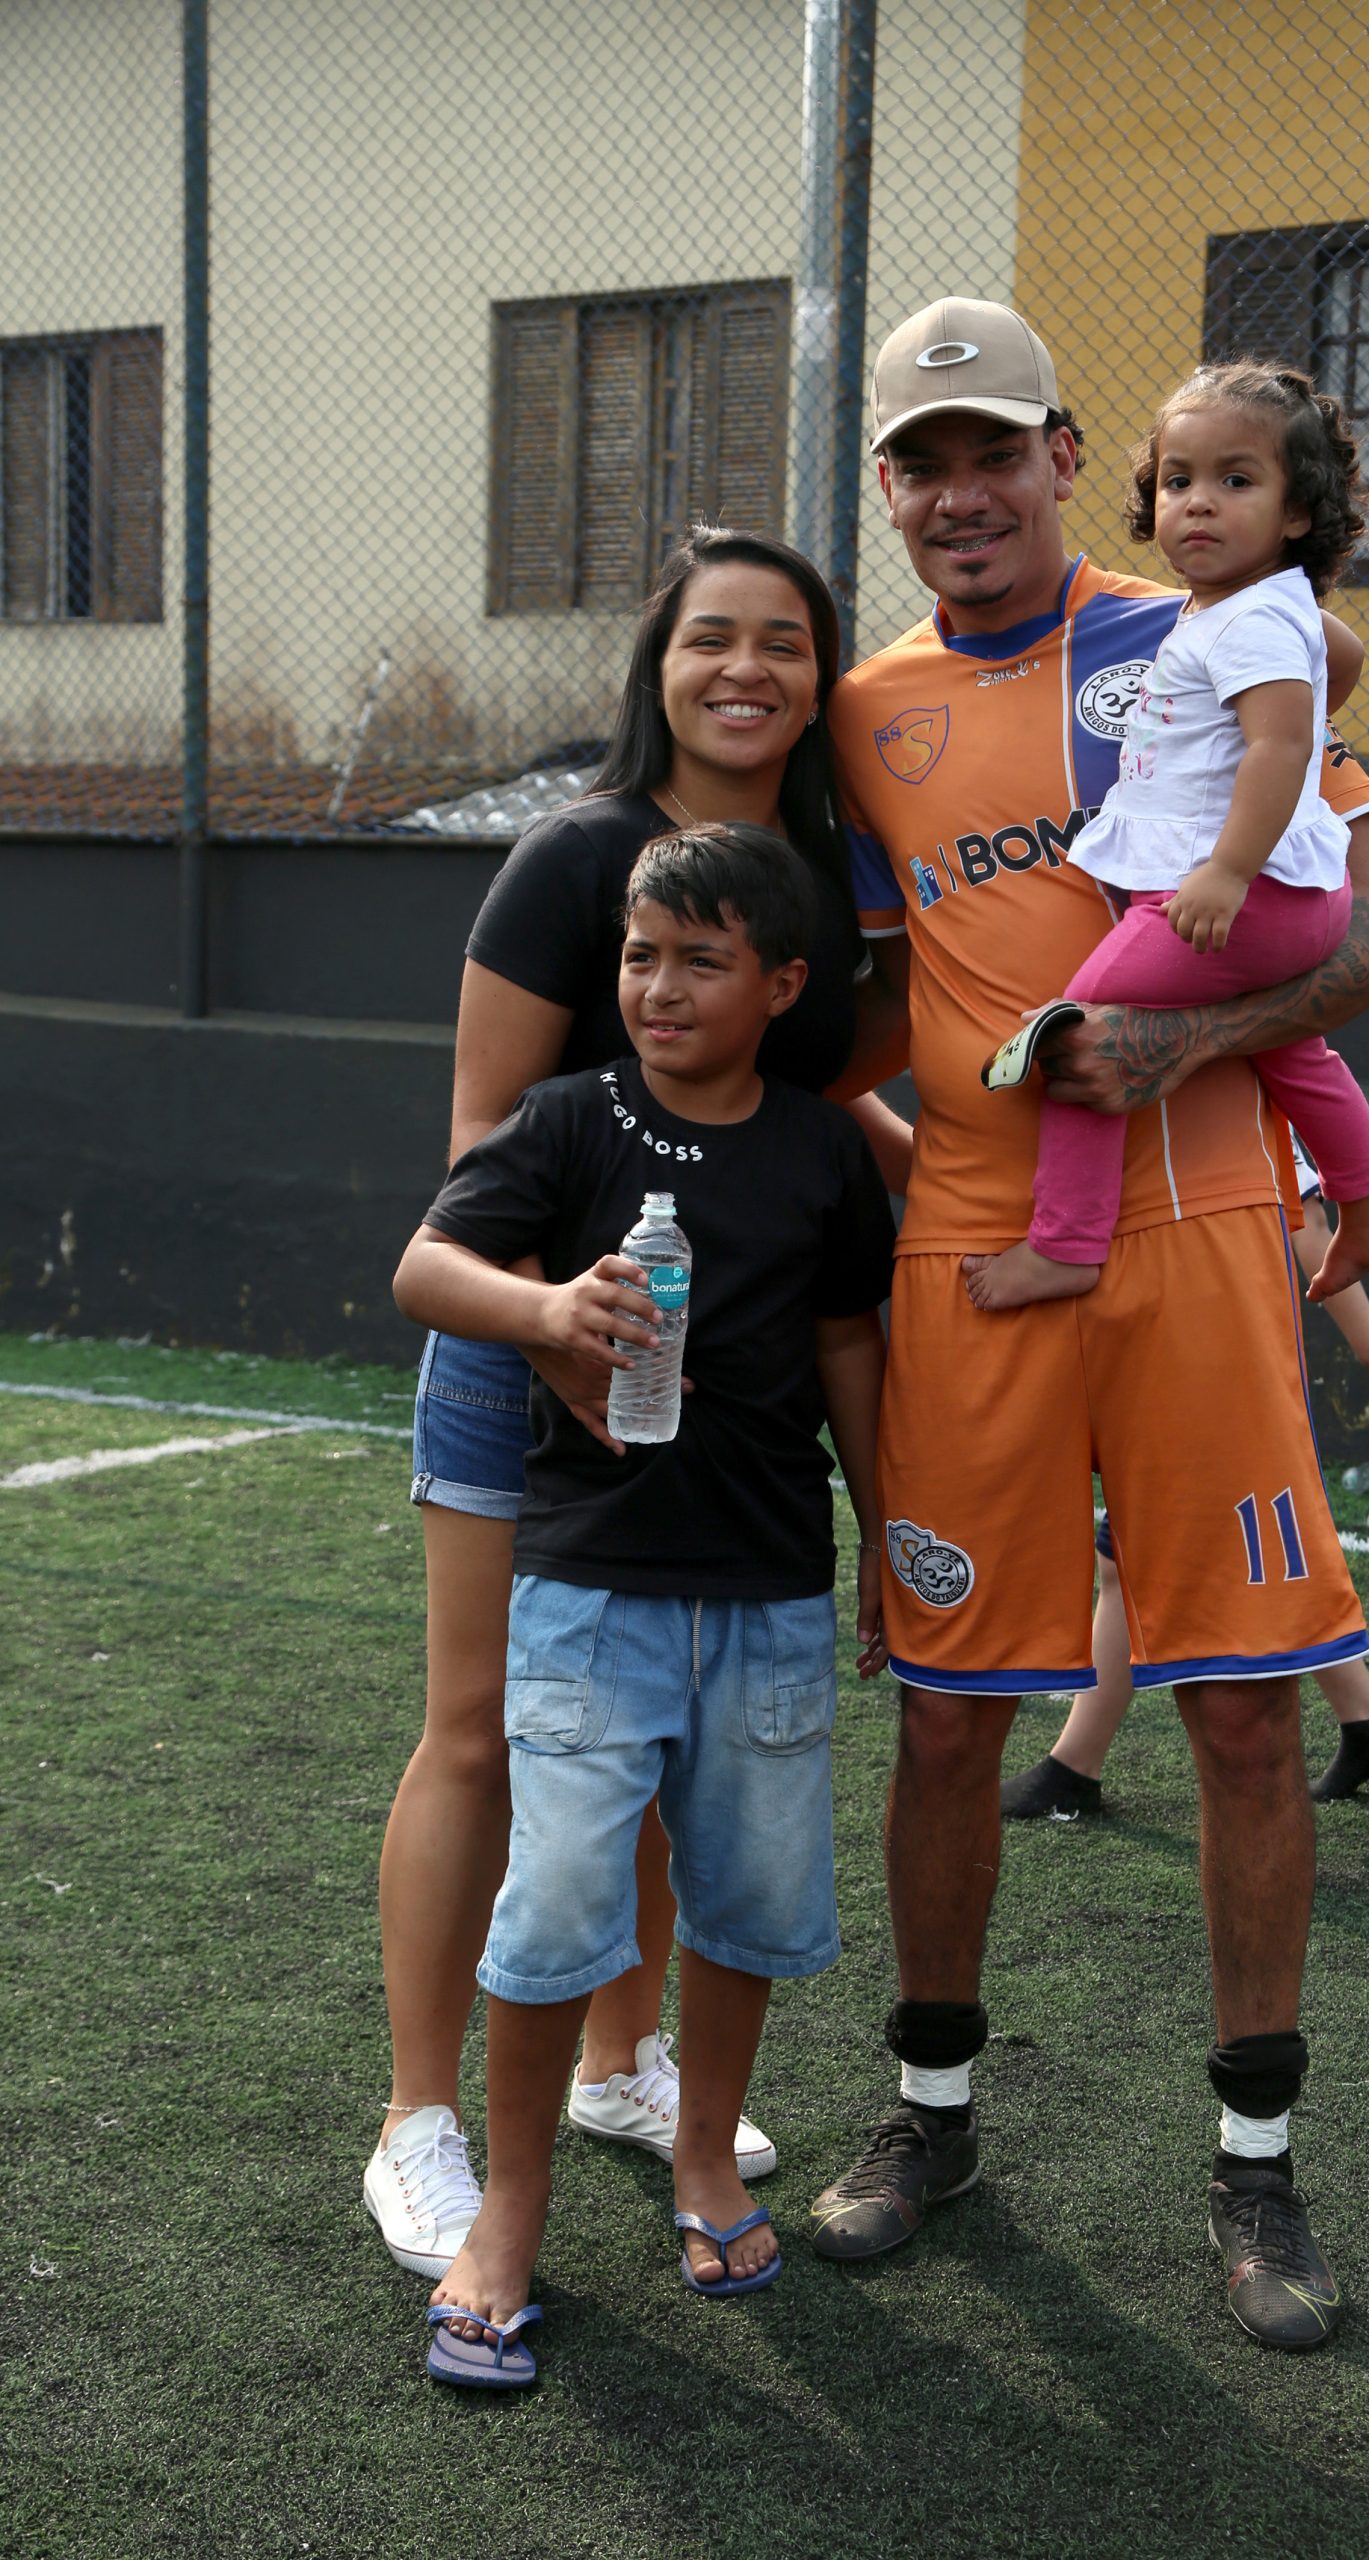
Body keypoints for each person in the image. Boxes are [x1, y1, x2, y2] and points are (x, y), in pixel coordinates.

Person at [809, 299, 1369, 2352]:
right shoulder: (865, 708)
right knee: (948, 1711)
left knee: (1243, 1710)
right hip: (976, 1262)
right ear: (888, 490)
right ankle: (930, 2112)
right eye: (920, 458)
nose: (957, 490)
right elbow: (890, 1000)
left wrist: (1196, 1040)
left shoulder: (1208, 625)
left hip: (1197, 1236)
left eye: (992, 448)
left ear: (1070, 454)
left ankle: (1257, 2170)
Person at [364, 528, 911, 2285]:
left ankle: (621, 2066)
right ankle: (417, 2125)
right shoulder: (578, 854)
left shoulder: (823, 870)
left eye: (785, 643)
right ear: (656, 662)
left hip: (709, 1415)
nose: (745, 669)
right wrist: (565, 1349)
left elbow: (810, 1125)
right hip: (539, 1363)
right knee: (482, 1732)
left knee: (678, 1731)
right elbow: (481, 1156)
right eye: (709, 638)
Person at [964, 360, 1369, 1315]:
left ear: (1298, 514)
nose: (1199, 505)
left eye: (1235, 482)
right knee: (1298, 1055)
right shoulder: (1268, 612)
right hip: (1296, 901)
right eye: (1178, 482)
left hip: (1243, 900)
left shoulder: (1246, 624)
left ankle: (1068, 1243)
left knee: (1077, 1037)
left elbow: (1283, 743)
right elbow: (1343, 659)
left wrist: (1225, 870)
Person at [1002, 1142, 1369, 1820]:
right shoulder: (1162, 1076)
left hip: (1210, 1359)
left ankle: (1074, 1766)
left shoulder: (1235, 1076)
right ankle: (1365, 1718)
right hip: (1169, 1355)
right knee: (1137, 1555)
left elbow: (1310, 1226)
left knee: (1210, 1554)